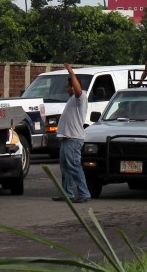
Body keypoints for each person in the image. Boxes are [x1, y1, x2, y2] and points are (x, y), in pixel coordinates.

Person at [53, 64, 92, 204]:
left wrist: (71, 72)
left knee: (74, 166)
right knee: (65, 169)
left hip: (74, 138)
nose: (66, 89)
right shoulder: (71, 99)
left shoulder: (81, 97)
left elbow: (78, 89)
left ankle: (84, 193)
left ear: (73, 87)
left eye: (68, 86)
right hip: (66, 138)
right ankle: (67, 193)